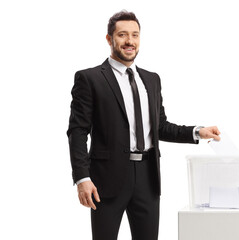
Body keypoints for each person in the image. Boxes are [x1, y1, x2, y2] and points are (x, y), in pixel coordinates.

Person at [67, 10, 221, 240]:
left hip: (148, 178)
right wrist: (82, 178)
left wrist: (197, 132)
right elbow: (77, 132)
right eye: (122, 35)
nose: (130, 41)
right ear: (109, 39)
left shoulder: (151, 79)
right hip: (106, 180)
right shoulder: (90, 79)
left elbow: (159, 127)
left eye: (135, 35)